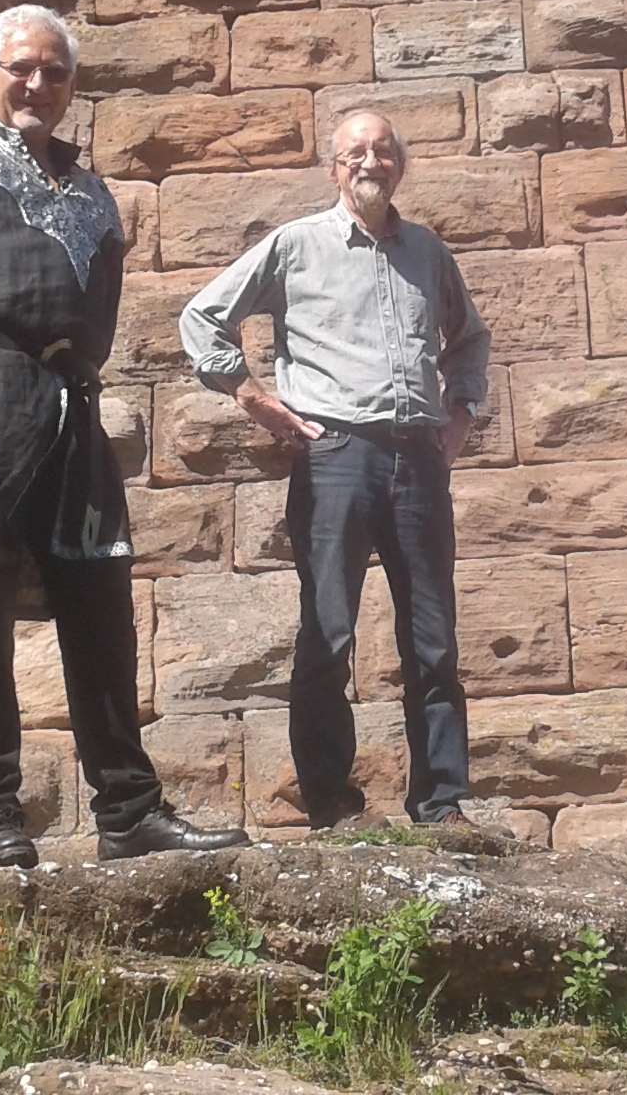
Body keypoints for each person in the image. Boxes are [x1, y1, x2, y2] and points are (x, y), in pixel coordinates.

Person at [0, 3, 246, 871]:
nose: (38, 84)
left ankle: (129, 812)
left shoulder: (93, 192)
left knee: (99, 597)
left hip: (66, 401)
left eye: (55, 73)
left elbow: (96, 313)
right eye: (21, 68)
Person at [178, 111, 491, 829]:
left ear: (399, 166)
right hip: (336, 458)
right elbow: (203, 317)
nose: (370, 162)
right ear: (333, 169)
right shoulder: (296, 246)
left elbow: (469, 339)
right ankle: (330, 803)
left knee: (434, 639)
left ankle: (441, 805)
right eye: (355, 152)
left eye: (382, 151)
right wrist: (254, 398)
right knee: (328, 634)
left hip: (418, 460)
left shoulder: (428, 252)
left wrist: (460, 417)